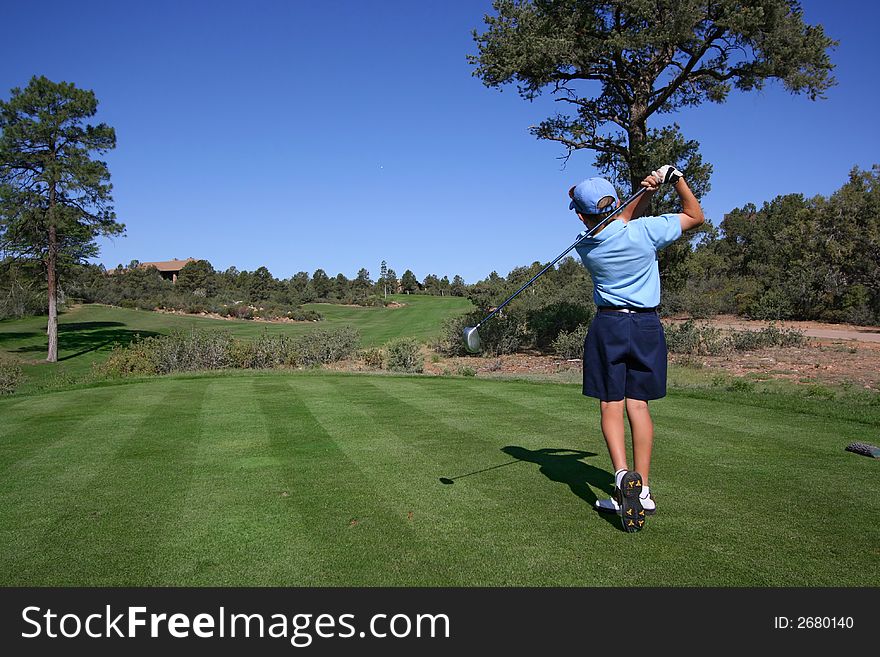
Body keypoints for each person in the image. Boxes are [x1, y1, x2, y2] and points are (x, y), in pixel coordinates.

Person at [569, 166, 704, 532]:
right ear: (615, 202)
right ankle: (641, 488)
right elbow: (695, 215)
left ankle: (621, 478)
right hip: (646, 325)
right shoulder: (646, 231)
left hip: (608, 325)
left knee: (610, 404)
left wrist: (644, 193)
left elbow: (616, 221)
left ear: (582, 216)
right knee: (637, 405)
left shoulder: (585, 246)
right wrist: (673, 179)